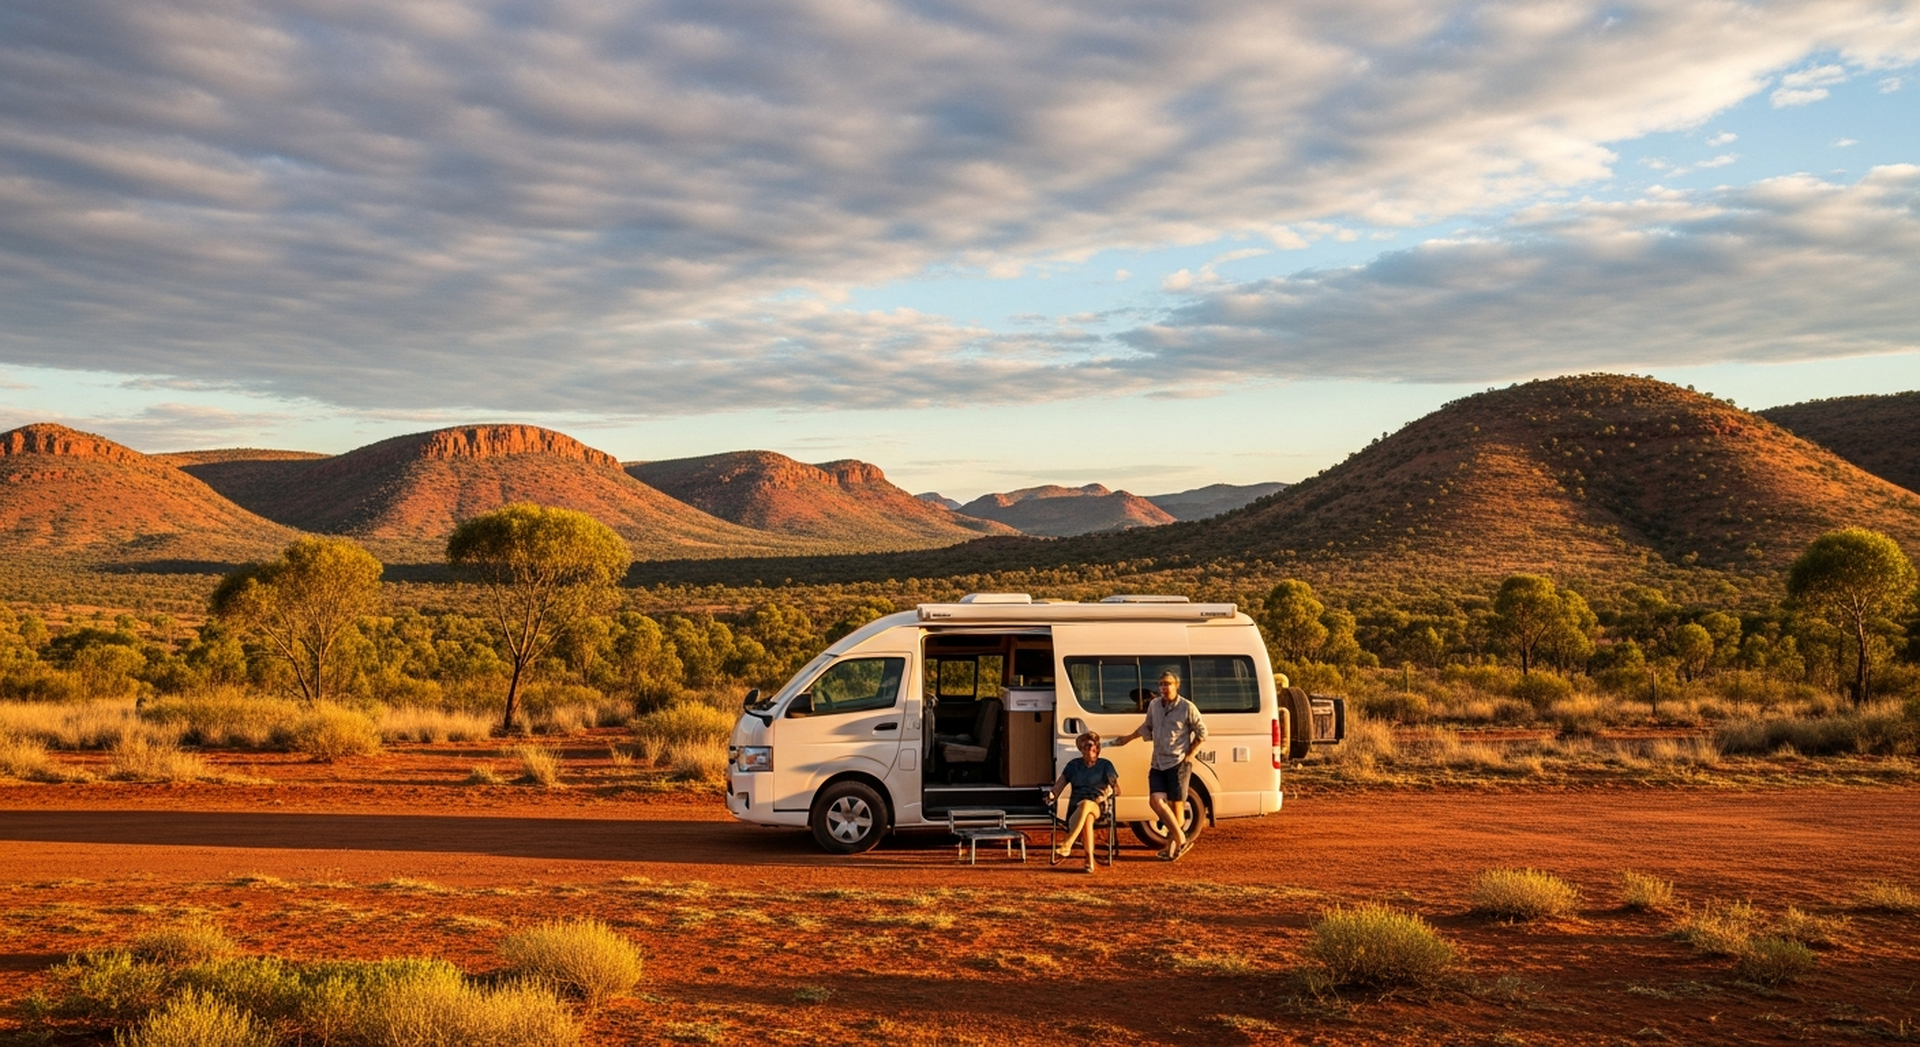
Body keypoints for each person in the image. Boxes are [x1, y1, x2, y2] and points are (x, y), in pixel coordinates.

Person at [1108, 670, 1207, 860]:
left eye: (1168, 684)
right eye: (1161, 684)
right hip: (1158, 762)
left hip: (1177, 763)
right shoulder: (1154, 705)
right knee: (1156, 802)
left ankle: (1172, 850)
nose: (1164, 687)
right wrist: (1127, 739)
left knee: (1176, 806)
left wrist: (1189, 755)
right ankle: (1181, 839)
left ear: (1176, 686)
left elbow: (1202, 733)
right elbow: (1147, 727)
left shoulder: (1187, 707)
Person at [1048, 731, 1118, 873]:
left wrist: (1112, 790)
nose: (1087, 749)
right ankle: (1089, 860)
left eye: (1090, 746)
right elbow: (1058, 786)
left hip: (1098, 807)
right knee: (1086, 817)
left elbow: (1116, 789)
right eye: (1084, 746)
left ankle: (1068, 843)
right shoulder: (1073, 765)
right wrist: (1051, 795)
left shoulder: (1105, 765)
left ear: (1097, 749)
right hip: (1076, 810)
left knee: (1087, 804)